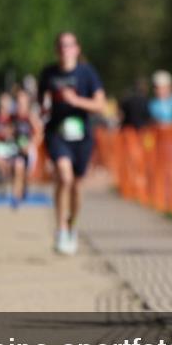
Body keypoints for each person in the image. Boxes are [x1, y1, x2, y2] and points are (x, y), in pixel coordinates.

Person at [38, 31, 106, 255]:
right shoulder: (48, 74)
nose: (64, 49)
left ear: (77, 49)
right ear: (56, 50)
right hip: (57, 134)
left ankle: (72, 225)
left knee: (77, 185)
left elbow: (100, 105)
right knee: (64, 178)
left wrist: (76, 100)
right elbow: (41, 105)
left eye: (69, 45)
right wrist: (43, 110)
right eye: (60, 45)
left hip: (82, 136)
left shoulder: (87, 73)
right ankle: (60, 229)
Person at [10, 88, 42, 210]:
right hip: (17, 149)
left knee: (26, 175)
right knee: (18, 169)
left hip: (29, 150)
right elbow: (8, 131)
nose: (20, 105)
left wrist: (30, 145)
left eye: (22, 102)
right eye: (18, 102)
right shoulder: (13, 117)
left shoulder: (30, 117)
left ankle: (24, 188)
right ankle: (15, 196)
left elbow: (39, 133)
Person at [0, 92, 16, 198]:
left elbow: (15, 130)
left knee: (7, 167)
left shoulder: (12, 117)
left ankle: (4, 183)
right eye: (3, 101)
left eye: (7, 101)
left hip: (9, 144)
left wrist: (9, 132)